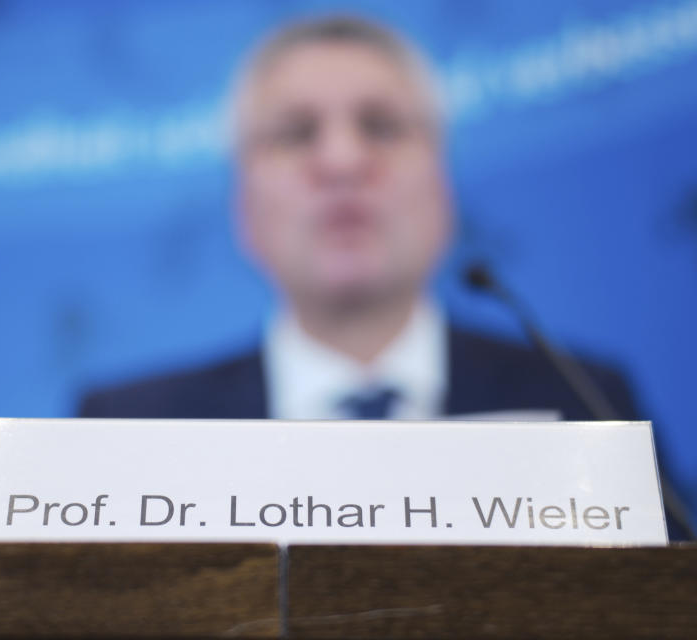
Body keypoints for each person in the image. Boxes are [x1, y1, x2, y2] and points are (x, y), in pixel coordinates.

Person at [77, 15, 692, 540]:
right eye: (296, 133)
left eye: (382, 126)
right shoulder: (128, 432)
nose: (343, 161)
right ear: (244, 208)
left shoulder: (585, 404)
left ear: (443, 190)